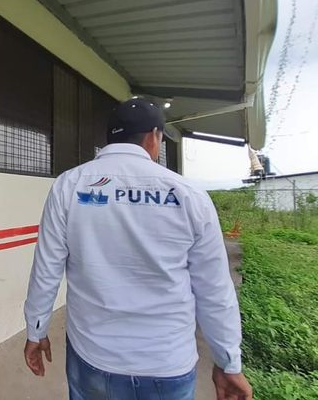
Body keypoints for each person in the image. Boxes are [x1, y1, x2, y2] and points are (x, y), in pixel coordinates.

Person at [23, 98, 252, 400]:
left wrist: (36, 330)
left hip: (93, 357)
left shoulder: (70, 185)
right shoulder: (189, 195)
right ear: (154, 136)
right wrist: (228, 362)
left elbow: (46, 269)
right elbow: (214, 289)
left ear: (110, 137)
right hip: (167, 362)